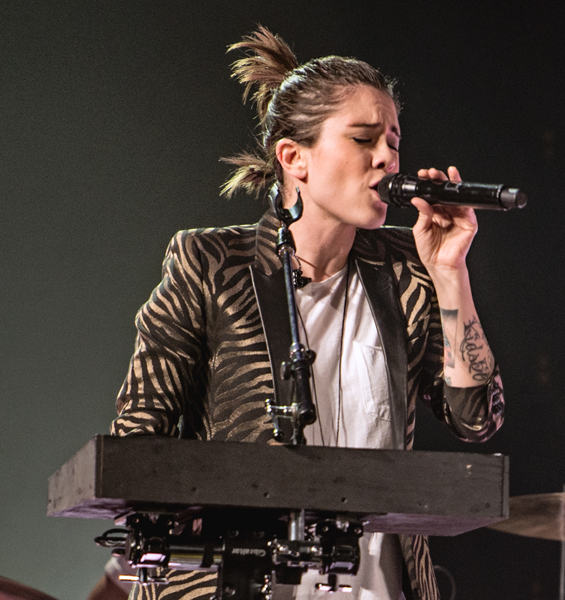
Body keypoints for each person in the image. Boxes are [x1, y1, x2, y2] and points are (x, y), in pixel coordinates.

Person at [110, 26, 505, 600]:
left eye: (393, 143)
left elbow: (478, 419)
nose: (386, 158)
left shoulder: (408, 268)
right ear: (294, 157)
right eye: (363, 139)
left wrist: (450, 272)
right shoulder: (212, 263)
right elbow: (137, 440)